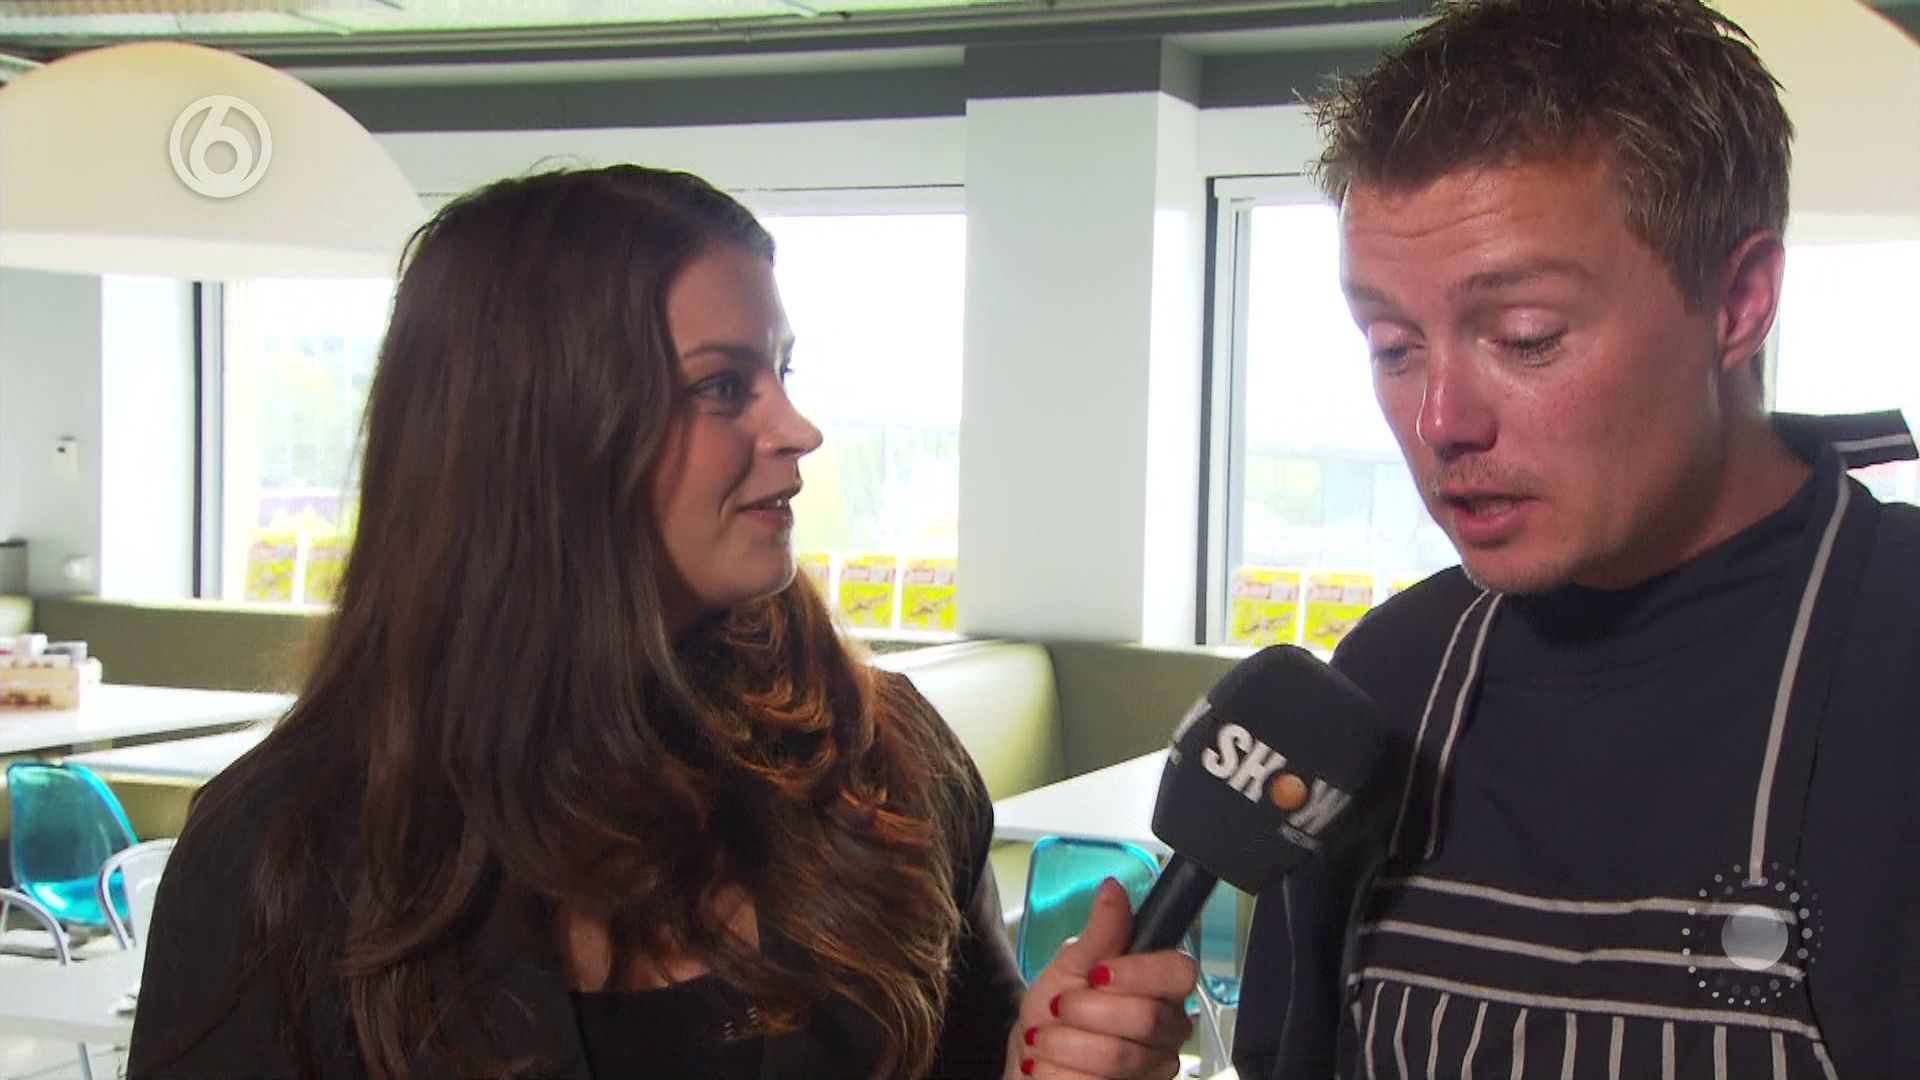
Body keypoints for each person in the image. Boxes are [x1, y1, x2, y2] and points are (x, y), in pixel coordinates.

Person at [129, 165, 1197, 1080]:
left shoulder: (884, 761)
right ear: (545, 437)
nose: (799, 428)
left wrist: (1058, 1062)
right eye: (724, 386)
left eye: (781, 372)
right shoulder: (278, 858)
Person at [1233, 2, 1920, 1077]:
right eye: (1394, 344)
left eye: (1526, 337)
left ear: (1738, 303)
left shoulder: (1900, 658)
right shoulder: (1384, 685)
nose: (1441, 420)